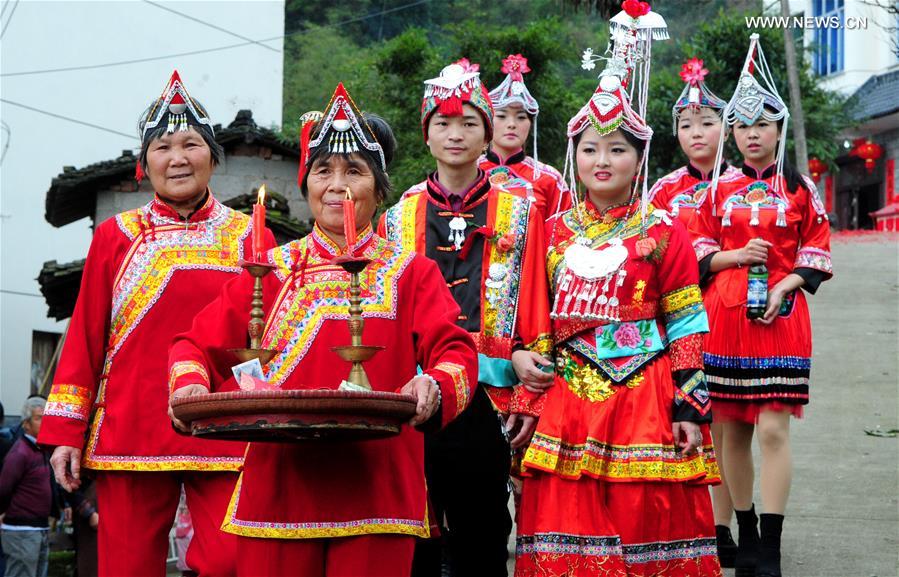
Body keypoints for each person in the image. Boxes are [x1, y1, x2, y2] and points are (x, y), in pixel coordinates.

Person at [168, 83, 479, 577]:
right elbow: (193, 345)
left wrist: (433, 385)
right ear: (306, 185)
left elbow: (456, 353)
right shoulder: (269, 270)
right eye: (323, 171)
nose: (336, 185)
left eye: (353, 172)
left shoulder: (411, 272)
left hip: (378, 493)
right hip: (276, 496)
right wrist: (188, 386)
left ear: (379, 190)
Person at [36, 71, 275, 577]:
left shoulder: (252, 239)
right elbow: (84, 338)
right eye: (163, 147)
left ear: (213, 156)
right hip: (131, 428)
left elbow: (272, 337)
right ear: (144, 164)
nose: (178, 157)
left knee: (234, 561)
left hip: (225, 425)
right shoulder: (115, 237)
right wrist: (65, 433)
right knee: (125, 565)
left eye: (191, 144)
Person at [515, 5, 721, 576]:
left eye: (617, 150)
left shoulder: (662, 231)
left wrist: (691, 404)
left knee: (643, 517)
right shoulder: (551, 232)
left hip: (645, 392)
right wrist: (528, 399)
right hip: (566, 396)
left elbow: (683, 322)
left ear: (639, 158)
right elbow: (535, 322)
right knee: (566, 519)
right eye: (589, 149)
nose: (601, 161)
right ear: (573, 154)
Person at [379, 58, 553, 577]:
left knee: (484, 527)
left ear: (488, 132)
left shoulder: (521, 212)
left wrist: (529, 393)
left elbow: (535, 304)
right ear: (426, 135)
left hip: (492, 391)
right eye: (443, 124)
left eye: (468, 124)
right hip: (422, 389)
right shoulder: (398, 215)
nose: (455, 135)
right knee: (417, 526)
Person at [689, 34, 832, 577]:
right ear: (735, 131)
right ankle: (743, 528)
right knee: (729, 428)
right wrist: (731, 255)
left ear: (779, 129)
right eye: (743, 126)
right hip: (723, 317)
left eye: (762, 125)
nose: (752, 135)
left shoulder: (800, 188)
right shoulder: (716, 190)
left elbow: (818, 246)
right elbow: (697, 249)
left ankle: (769, 543)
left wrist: (785, 284)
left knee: (773, 429)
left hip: (781, 314)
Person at [647, 56, 743, 567]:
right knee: (687, 416)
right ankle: (697, 519)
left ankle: (726, 521)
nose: (697, 132)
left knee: (729, 421)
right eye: (686, 124)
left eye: (707, 121)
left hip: (733, 312)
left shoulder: (742, 185)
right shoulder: (661, 190)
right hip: (679, 316)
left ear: (725, 126)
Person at [479, 54, 570, 219]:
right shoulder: (469, 171)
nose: (512, 124)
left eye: (521, 117)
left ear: (530, 123)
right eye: (502, 116)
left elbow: (561, 236)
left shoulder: (550, 179)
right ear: (488, 121)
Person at [0, 398, 53, 577]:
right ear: (26, 424)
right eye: (39, 418)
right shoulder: (20, 453)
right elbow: (4, 488)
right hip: (21, 530)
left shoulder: (41, 450)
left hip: (39, 528)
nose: (44, 423)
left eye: (46, 418)